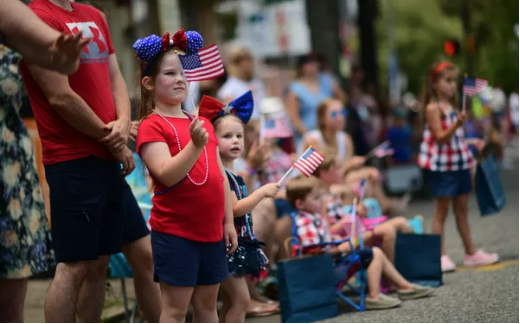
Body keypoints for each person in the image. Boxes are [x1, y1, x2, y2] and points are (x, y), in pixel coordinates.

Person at [20, 0, 136, 321]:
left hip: (107, 155)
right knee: (73, 265)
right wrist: (113, 139)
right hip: (72, 159)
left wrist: (123, 123)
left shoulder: (95, 14)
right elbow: (60, 96)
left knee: (99, 263)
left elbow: (116, 77)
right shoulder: (35, 17)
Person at [134, 32, 238, 323]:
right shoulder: (151, 126)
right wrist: (195, 145)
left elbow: (220, 178)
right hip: (176, 234)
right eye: (170, 73)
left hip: (212, 231)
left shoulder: (201, 122)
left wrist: (229, 221)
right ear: (149, 83)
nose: (180, 79)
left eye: (183, 73)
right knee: (176, 310)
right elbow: (166, 174)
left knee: (208, 307)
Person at [0, 1, 89, 321]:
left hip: (6, 175)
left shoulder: (5, 9)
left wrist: (62, 56)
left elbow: (55, 54)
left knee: (10, 303)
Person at [285, 175, 434, 310]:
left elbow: (322, 243)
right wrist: (340, 247)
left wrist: (336, 242)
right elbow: (314, 252)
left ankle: (404, 287)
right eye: (316, 198)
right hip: (323, 272)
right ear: (300, 204)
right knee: (373, 253)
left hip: (329, 264)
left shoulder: (314, 218)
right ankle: (376, 296)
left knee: (374, 253)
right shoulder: (305, 222)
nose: (322, 201)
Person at [198, 92, 281, 322]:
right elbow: (234, 209)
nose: (235, 141)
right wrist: (262, 193)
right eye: (227, 136)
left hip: (235, 243)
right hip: (225, 245)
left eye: (239, 136)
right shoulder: (220, 174)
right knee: (240, 300)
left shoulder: (233, 173)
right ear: (212, 140)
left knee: (234, 300)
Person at [418, 61, 498, 272]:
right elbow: (441, 138)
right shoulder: (432, 108)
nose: (453, 86)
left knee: (461, 210)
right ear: (435, 83)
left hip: (459, 163)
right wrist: (456, 124)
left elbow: (455, 139)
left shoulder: (453, 107)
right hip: (443, 167)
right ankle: (440, 255)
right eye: (447, 81)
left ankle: (471, 252)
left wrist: (471, 142)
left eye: (454, 81)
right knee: (441, 211)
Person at [301, 98, 409, 215]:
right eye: (333, 114)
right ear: (322, 119)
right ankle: (385, 207)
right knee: (364, 181)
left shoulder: (345, 139)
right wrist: (350, 165)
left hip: (337, 178)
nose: (340, 117)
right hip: (319, 183)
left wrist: (359, 168)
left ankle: (380, 212)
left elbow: (343, 172)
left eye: (343, 113)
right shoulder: (313, 140)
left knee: (369, 178)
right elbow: (317, 174)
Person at [314, 152, 418, 263]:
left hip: (353, 233)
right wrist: (348, 217)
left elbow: (340, 217)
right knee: (389, 229)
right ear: (323, 174)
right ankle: (391, 272)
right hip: (346, 240)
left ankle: (404, 267)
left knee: (401, 222)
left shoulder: (332, 194)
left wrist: (356, 211)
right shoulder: (321, 200)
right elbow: (329, 231)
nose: (340, 172)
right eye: (336, 169)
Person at [286, 53, 346, 146]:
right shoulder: (295, 88)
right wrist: (309, 136)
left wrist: (336, 114)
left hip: (330, 133)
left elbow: (341, 97)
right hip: (309, 135)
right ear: (302, 67)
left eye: (315, 62)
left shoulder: (327, 79)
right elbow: (294, 118)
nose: (313, 66)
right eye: (309, 63)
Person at [218, 45, 264, 120]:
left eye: (248, 60)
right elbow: (231, 112)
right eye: (240, 62)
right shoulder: (229, 88)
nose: (246, 65)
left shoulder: (257, 83)